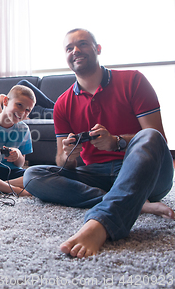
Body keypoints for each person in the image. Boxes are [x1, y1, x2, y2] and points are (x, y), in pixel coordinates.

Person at [23, 28, 174, 258]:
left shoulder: (133, 80)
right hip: (96, 173)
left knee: (149, 136)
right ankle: (134, 203)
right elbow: (63, 162)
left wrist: (116, 142)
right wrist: (69, 155)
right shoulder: (63, 104)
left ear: (98, 49)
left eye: (82, 44)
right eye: (69, 48)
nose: (75, 51)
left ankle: (101, 223)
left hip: (145, 175)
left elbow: (158, 139)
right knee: (32, 175)